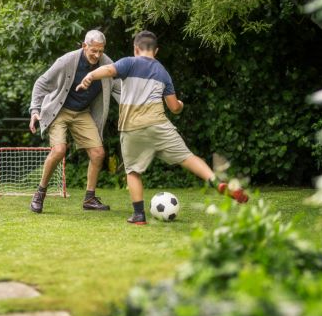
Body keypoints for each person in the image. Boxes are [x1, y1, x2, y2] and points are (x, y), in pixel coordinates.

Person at [75, 30, 248, 225]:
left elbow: (107, 71)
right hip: (159, 125)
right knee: (188, 157)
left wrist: (90, 75)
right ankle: (216, 181)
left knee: (132, 171)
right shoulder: (163, 72)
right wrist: (181, 104)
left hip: (131, 127)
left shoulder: (129, 62)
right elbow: (174, 108)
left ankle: (139, 215)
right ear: (155, 51)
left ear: (135, 48)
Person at [28, 29, 121, 213]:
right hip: (59, 110)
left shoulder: (107, 64)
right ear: (84, 45)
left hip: (82, 113)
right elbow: (41, 83)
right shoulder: (67, 61)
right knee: (59, 150)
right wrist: (34, 110)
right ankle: (39, 194)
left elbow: (119, 89)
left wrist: (135, 107)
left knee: (98, 153)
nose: (97, 55)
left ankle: (90, 198)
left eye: (101, 51)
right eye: (93, 50)